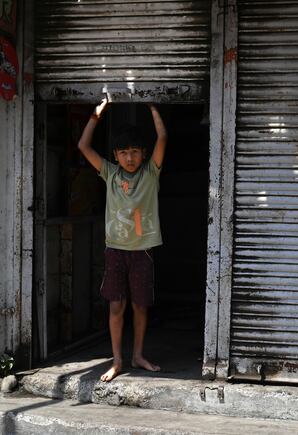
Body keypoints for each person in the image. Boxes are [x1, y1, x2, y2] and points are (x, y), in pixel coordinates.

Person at [77, 98, 167, 382]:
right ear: (115, 155)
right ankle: (117, 360)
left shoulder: (151, 174)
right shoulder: (110, 173)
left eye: (135, 152)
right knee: (116, 306)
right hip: (115, 250)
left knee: (140, 305)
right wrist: (96, 114)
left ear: (143, 154)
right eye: (124, 152)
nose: (130, 158)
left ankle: (137, 355)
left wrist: (153, 108)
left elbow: (163, 137)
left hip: (142, 251)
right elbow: (83, 146)